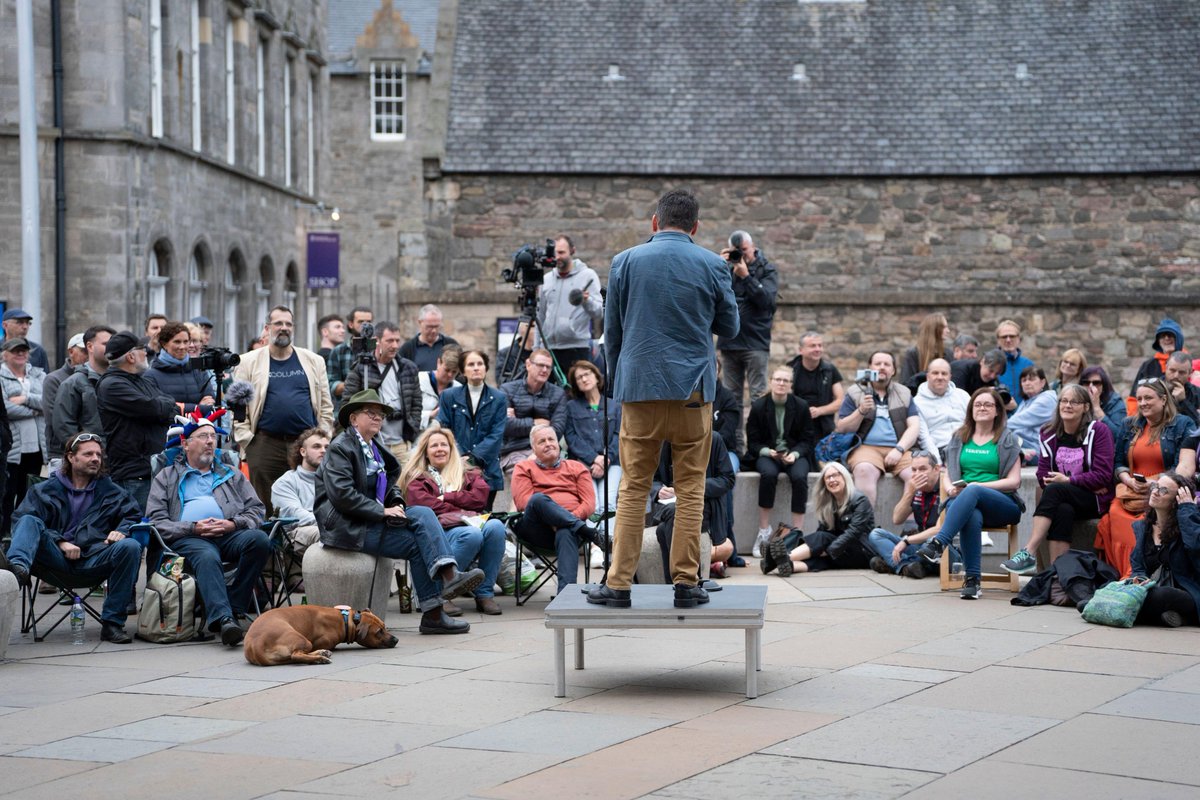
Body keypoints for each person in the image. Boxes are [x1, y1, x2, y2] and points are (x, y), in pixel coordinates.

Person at [589, 189, 739, 610]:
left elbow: (612, 333)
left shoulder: (625, 261)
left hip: (639, 390)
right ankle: (687, 583)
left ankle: (618, 584)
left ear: (654, 222)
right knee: (691, 489)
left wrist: (618, 383)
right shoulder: (713, 264)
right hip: (692, 389)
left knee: (634, 489)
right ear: (695, 227)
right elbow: (730, 326)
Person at [314, 389, 484, 635]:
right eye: (370, 413)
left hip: (369, 519)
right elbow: (342, 495)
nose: (377, 418)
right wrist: (383, 511)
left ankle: (439, 600)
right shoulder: (341, 448)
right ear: (353, 419)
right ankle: (444, 589)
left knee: (422, 517)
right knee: (418, 536)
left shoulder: (373, 447)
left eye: (380, 415)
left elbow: (390, 485)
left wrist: (397, 503)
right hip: (346, 525)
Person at [0, 432, 143, 643]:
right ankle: (17, 573)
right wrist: (60, 541)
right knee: (30, 520)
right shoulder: (43, 490)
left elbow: (135, 516)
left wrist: (122, 529)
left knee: (130, 546)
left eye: (98, 454)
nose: (95, 458)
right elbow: (21, 520)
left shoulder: (112, 492)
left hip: (94, 558)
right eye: (88, 454)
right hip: (53, 560)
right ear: (71, 457)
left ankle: (112, 624)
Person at [146, 417, 269, 646]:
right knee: (207, 554)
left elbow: (256, 509)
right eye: (203, 436)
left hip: (229, 534)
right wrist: (193, 527)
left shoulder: (231, 473)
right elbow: (157, 520)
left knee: (259, 541)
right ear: (185, 444)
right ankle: (223, 619)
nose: (210, 442)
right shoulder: (167, 476)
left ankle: (234, 605)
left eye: (213, 437)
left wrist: (233, 524)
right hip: (188, 538)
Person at [914, 387, 1025, 599]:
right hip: (966, 503)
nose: (982, 408)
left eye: (988, 404)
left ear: (997, 411)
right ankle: (973, 581)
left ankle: (939, 543)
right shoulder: (959, 437)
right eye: (978, 404)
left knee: (973, 490)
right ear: (971, 410)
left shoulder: (1008, 439)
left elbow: (1014, 481)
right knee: (971, 514)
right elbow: (946, 472)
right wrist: (948, 487)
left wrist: (978, 487)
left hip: (1002, 504)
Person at [999, 383, 1115, 575]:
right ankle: (1056, 574)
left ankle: (1029, 551)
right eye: (1064, 401)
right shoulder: (1049, 432)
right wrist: (1076, 481)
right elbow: (1043, 474)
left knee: (1055, 489)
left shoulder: (1099, 431)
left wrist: (1069, 481)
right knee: (1062, 509)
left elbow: (1103, 475)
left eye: (1074, 402)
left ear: (1086, 407)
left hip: (1093, 500)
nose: (1067, 405)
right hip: (1066, 497)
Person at [231, 306, 333, 513]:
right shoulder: (248, 361)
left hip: (305, 442)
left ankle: (303, 541)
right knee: (265, 504)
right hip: (264, 443)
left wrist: (324, 436)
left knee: (309, 500)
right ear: (267, 328)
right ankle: (270, 543)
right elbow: (238, 407)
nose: (283, 328)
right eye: (278, 323)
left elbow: (325, 405)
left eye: (288, 324)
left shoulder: (314, 361)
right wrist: (248, 441)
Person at [1094, 379, 1197, 578]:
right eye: (1139, 398)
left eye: (1148, 398)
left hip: (1160, 491)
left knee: (1143, 523)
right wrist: (1127, 480)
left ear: (1164, 399)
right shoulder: (1129, 424)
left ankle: (1137, 576)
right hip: (1131, 491)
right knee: (1116, 516)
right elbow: (1118, 463)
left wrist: (1156, 483)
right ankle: (1127, 575)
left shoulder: (1182, 424)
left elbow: (1179, 467)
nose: (1142, 403)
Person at [400, 425, 506, 616]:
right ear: (425, 452)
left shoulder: (468, 472)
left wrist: (448, 498)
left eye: (444, 444)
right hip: (438, 530)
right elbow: (424, 506)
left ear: (451, 449)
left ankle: (484, 594)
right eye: (434, 446)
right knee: (471, 535)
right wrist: (462, 508)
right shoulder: (416, 476)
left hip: (468, 522)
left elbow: (480, 498)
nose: (440, 449)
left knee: (496, 527)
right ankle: (439, 593)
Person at [512, 424, 607, 594]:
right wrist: (553, 520)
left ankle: (565, 595)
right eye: (542, 441)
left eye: (551, 439)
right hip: (537, 531)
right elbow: (523, 503)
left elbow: (589, 504)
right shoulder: (523, 468)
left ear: (559, 443)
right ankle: (588, 532)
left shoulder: (577, 467)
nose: (548, 443)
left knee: (565, 529)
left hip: (569, 532)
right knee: (537, 499)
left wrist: (564, 519)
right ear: (533, 448)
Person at [716, 229, 779, 452]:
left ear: (752, 247)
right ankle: (734, 448)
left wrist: (746, 277)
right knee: (731, 399)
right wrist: (720, 267)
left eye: (742, 251)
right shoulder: (725, 269)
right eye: (735, 252)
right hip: (729, 342)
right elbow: (714, 297)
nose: (740, 256)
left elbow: (767, 302)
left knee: (758, 397)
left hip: (755, 343)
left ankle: (758, 449)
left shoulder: (767, 269)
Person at [835, 351, 920, 506]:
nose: (882, 367)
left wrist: (899, 449)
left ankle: (911, 527)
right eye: (878, 364)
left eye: (887, 364)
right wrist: (861, 411)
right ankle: (865, 525)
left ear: (893, 370)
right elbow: (842, 427)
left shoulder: (904, 392)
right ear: (869, 368)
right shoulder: (855, 392)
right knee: (864, 470)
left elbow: (914, 426)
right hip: (866, 448)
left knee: (916, 474)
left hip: (899, 449)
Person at [760, 461, 875, 575]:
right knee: (822, 558)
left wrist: (828, 550)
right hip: (841, 550)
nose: (831, 480)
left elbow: (853, 532)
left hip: (862, 551)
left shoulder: (860, 500)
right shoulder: (828, 503)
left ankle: (774, 559)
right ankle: (789, 565)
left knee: (822, 541)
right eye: (828, 478)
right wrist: (817, 550)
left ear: (844, 477)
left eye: (835, 475)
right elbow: (823, 531)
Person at [650, 433, 735, 582]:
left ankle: (678, 581)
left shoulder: (713, 439)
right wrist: (658, 491)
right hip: (668, 504)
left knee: (663, 528)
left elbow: (727, 479)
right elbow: (652, 479)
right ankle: (685, 581)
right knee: (671, 513)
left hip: (703, 505)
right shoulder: (664, 441)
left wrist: (690, 488)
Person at [747, 367, 815, 552]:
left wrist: (795, 454)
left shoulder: (800, 406)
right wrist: (768, 452)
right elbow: (752, 441)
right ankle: (763, 530)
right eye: (778, 379)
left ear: (791, 385)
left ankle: (797, 533)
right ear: (771, 381)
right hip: (768, 454)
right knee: (768, 475)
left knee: (800, 477)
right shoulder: (759, 406)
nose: (781, 383)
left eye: (786, 381)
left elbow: (808, 439)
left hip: (794, 453)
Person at [437, 350, 508, 509]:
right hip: (455, 468)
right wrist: (459, 456)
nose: (476, 368)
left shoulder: (499, 398)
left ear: (485, 368)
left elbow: (497, 434)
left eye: (480, 364)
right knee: (455, 515)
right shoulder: (449, 396)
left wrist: (472, 459)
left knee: (484, 517)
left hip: (487, 469)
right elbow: (444, 428)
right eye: (471, 364)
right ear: (463, 371)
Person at [1129, 471, 1200, 627]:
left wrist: (1188, 510)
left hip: (1187, 594)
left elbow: (1196, 548)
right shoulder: (1143, 528)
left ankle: (1136, 611)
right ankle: (1171, 617)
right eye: (1155, 486)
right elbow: (1138, 567)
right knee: (1108, 589)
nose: (1155, 492)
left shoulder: (1188, 526)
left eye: (1163, 490)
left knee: (1160, 594)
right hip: (1152, 589)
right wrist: (1139, 580)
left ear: (1176, 501)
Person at [342, 321, 421, 460]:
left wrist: (412, 429)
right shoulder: (362, 367)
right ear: (376, 341)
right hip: (372, 442)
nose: (395, 345)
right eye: (390, 340)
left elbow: (416, 403)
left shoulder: (408, 368)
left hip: (401, 443)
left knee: (404, 480)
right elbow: (348, 401)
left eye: (397, 340)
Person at [866, 451, 948, 578]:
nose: (917, 474)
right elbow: (897, 519)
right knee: (876, 534)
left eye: (922, 469)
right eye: (914, 470)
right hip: (918, 544)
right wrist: (910, 492)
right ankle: (906, 567)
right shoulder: (916, 489)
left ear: (936, 469)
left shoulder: (945, 487)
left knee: (930, 543)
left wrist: (906, 541)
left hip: (942, 546)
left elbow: (939, 529)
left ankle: (896, 564)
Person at [537, 236, 604, 375]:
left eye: (561, 252)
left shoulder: (588, 276)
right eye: (554, 253)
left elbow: (598, 312)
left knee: (575, 394)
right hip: (550, 349)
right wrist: (537, 347)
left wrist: (586, 301)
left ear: (572, 251)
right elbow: (540, 316)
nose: (557, 257)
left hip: (576, 348)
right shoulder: (546, 280)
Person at [564, 360, 621, 515]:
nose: (584, 379)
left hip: (612, 461)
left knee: (608, 503)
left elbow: (619, 434)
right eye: (579, 377)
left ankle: (608, 539)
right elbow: (571, 437)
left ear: (596, 376)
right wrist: (594, 458)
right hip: (583, 462)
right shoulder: (571, 407)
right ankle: (594, 539)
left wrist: (606, 458)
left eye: (587, 374)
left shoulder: (614, 405)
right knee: (591, 504)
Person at [2, 338, 46, 534]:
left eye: (24, 351)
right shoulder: (1, 376)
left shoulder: (39, 375)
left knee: (28, 495)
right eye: (15, 351)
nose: (20, 354)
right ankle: (5, 535)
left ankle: (21, 534)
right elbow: (5, 409)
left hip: (36, 448)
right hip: (11, 448)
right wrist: (37, 411)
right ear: (5, 354)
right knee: (7, 494)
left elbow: (48, 401)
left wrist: (26, 399)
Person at [269, 427, 329, 569]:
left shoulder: (336, 480)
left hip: (330, 527)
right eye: (316, 446)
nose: (323, 451)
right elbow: (295, 515)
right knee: (331, 535)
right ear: (303, 451)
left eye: (327, 447)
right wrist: (333, 523)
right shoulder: (285, 482)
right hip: (295, 534)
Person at [499, 349, 568, 471]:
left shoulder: (558, 394)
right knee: (526, 472)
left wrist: (518, 423)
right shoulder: (507, 390)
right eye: (541, 365)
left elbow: (557, 430)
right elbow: (505, 425)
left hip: (548, 450)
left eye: (548, 367)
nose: (545, 370)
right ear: (528, 364)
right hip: (514, 450)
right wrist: (536, 423)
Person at [53, 326, 114, 463]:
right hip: (91, 463)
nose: (110, 348)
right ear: (90, 346)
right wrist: (89, 455)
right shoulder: (73, 384)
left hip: (120, 463)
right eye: (105, 344)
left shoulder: (120, 381)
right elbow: (64, 427)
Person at [144, 321, 216, 415]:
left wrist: (183, 408)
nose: (182, 346)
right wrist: (198, 408)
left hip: (201, 427)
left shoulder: (198, 370)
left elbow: (210, 403)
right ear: (164, 344)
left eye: (186, 341)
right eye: (177, 342)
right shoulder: (150, 376)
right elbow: (161, 409)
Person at [41, 332, 88, 473]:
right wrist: (82, 446)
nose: (88, 356)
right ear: (71, 351)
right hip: (61, 452)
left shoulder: (95, 377)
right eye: (84, 351)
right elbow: (55, 418)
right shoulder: (54, 379)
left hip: (91, 451)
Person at [787, 331, 845, 440]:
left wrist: (819, 411)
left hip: (823, 428)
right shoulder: (789, 370)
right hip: (795, 427)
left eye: (820, 345)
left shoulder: (830, 370)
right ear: (801, 350)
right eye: (813, 346)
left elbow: (840, 401)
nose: (818, 349)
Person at [913, 358, 970, 465]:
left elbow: (973, 423)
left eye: (944, 373)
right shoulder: (917, 403)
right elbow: (924, 438)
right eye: (935, 373)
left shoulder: (963, 396)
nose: (940, 377)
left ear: (950, 376)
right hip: (942, 449)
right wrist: (938, 462)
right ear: (927, 376)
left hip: (968, 445)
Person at [1009, 366, 1058, 461]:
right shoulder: (1026, 401)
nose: (1027, 383)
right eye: (1024, 380)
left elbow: (1018, 421)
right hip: (1024, 443)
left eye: (1032, 379)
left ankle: (1021, 454)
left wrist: (994, 428)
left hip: (1039, 450)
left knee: (1003, 437)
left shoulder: (1046, 400)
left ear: (1042, 382)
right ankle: (1020, 453)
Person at [327, 306, 374, 403]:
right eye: (361, 322)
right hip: (348, 406)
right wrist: (354, 383)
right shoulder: (339, 351)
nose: (365, 326)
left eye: (368, 322)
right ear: (351, 324)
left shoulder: (377, 349)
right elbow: (331, 385)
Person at [1130, 318, 1185, 396]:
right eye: (1162, 336)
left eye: (1170, 335)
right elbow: (1134, 395)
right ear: (1158, 341)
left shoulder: (1190, 364)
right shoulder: (1148, 366)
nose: (1166, 338)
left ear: (1179, 339)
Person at [398, 304, 460, 372]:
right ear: (420, 322)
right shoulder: (408, 348)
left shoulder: (451, 344)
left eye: (437, 326)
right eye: (429, 327)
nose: (434, 331)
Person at [900, 312, 953, 387]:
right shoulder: (913, 354)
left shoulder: (948, 354)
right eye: (944, 327)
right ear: (934, 328)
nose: (948, 331)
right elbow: (906, 384)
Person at [418, 345, 461, 432]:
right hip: (417, 439)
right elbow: (407, 415)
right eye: (447, 370)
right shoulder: (418, 379)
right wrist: (430, 415)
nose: (450, 375)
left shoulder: (459, 389)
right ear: (438, 363)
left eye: (454, 372)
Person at [1079, 365, 1127, 440]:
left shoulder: (1115, 402)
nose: (1091, 386)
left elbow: (1118, 435)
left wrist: (1096, 408)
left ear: (1103, 385)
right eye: (1086, 382)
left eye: (1096, 383)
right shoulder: (1076, 400)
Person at [994, 319, 1034, 401]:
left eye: (1012, 336)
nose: (1008, 340)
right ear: (998, 340)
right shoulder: (991, 365)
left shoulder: (1028, 364)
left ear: (1019, 338)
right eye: (1004, 337)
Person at [1165, 351, 1200, 425]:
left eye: (1182, 372)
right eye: (1172, 370)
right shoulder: (1154, 388)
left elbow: (1198, 424)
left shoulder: (1197, 393)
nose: (1176, 376)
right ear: (1166, 368)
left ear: (1190, 373)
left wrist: (1183, 401)